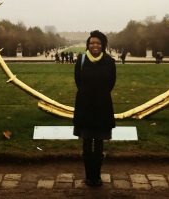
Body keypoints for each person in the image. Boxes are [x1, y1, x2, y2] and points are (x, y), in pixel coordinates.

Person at [73, 30, 116, 187]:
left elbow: (111, 82)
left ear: (103, 45)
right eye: (92, 43)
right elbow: (78, 81)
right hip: (85, 106)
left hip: (102, 107)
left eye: (98, 43)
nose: (94, 45)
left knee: (98, 144)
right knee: (86, 143)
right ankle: (88, 175)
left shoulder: (109, 61)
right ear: (88, 45)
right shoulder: (81, 60)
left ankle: (96, 176)